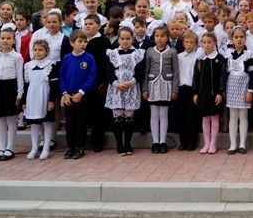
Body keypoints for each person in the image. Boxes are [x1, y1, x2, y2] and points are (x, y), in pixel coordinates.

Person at [104, 27, 145, 156]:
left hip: (131, 88)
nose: (125, 41)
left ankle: (128, 143)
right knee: (117, 117)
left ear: (132, 38)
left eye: (128, 38)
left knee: (129, 118)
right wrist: (116, 83)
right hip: (116, 89)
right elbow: (108, 71)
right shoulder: (112, 53)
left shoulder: (138, 53)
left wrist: (131, 82)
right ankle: (119, 144)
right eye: (122, 38)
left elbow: (140, 71)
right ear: (118, 39)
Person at [142, 26, 180, 154]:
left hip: (166, 85)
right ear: (154, 37)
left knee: (163, 114)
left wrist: (174, 90)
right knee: (154, 114)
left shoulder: (172, 52)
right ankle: (155, 142)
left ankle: (163, 141)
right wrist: (145, 88)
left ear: (167, 38)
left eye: (163, 36)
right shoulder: (150, 51)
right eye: (157, 36)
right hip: (153, 84)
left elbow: (176, 71)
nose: (160, 38)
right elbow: (146, 71)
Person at [60, 30, 96, 160]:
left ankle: (80, 147)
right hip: (69, 96)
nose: (83, 44)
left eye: (85, 41)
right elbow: (62, 77)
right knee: (70, 122)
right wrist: (64, 93)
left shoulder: (89, 58)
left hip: (81, 95)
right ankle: (71, 146)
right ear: (72, 43)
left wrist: (81, 92)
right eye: (80, 41)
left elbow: (91, 77)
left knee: (81, 122)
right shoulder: (67, 58)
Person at [0, 28, 24, 161]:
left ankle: (10, 148)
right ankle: (1, 148)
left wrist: (19, 93)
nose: (5, 41)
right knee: (0, 119)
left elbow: (20, 76)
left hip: (11, 88)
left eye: (9, 38)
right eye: (3, 38)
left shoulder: (17, 57)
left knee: (11, 119)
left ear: (13, 41)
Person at [23, 39, 59, 160]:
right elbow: (26, 84)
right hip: (32, 97)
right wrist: (24, 102)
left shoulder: (51, 65)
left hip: (45, 95)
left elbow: (54, 85)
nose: (38, 52)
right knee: (34, 123)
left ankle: (46, 147)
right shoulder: (28, 66)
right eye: (36, 50)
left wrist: (51, 100)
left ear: (47, 51)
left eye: (41, 50)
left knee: (47, 121)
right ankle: (34, 148)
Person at [192, 32, 227, 155]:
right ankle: (206, 144)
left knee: (214, 116)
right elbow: (195, 77)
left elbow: (223, 77)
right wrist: (195, 92)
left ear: (214, 43)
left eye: (209, 42)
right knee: (205, 117)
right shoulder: (200, 60)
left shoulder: (220, 59)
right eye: (204, 42)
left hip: (214, 94)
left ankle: (213, 144)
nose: (206, 45)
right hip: (203, 93)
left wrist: (219, 92)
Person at [225, 27, 253, 155]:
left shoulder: (250, 55)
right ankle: (233, 144)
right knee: (233, 117)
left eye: (241, 37)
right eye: (236, 37)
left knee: (243, 116)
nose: (239, 40)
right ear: (232, 39)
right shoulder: (228, 54)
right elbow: (225, 73)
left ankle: (242, 144)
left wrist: (250, 90)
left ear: (245, 38)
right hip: (231, 86)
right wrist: (224, 89)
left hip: (244, 86)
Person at [176, 31, 198, 151]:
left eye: (192, 42)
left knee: (192, 117)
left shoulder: (198, 57)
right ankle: (182, 141)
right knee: (181, 116)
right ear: (183, 43)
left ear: (195, 44)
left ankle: (192, 141)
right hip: (181, 88)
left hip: (192, 89)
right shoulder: (179, 57)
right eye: (187, 42)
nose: (189, 45)